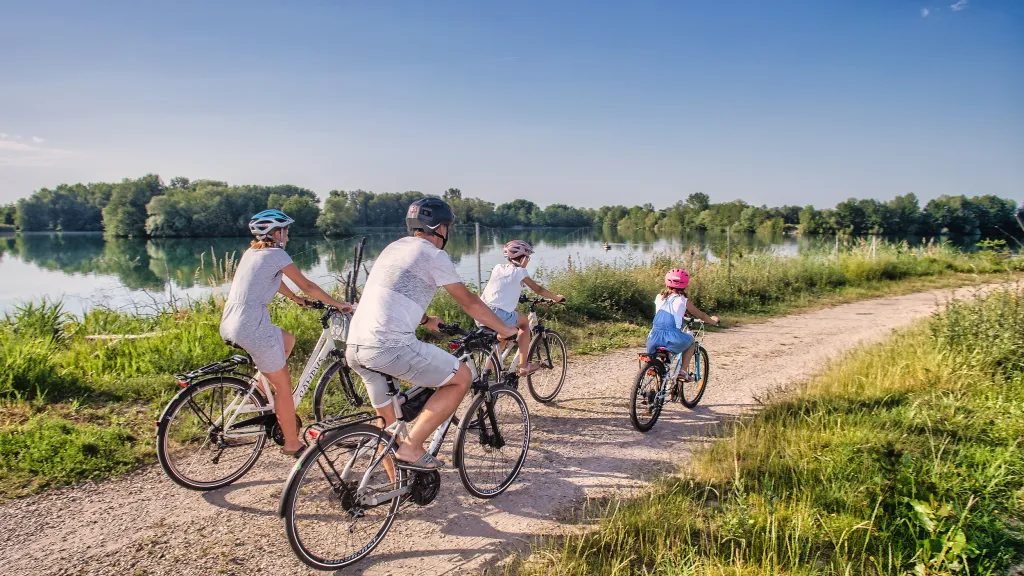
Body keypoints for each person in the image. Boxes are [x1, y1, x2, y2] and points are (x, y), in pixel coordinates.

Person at [346, 198, 518, 471]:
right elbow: (469, 301)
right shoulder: (434, 255)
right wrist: (505, 328)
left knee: (390, 428)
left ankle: (399, 486)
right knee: (461, 377)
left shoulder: (394, 248)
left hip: (355, 345)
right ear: (439, 228)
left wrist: (426, 320)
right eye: (447, 227)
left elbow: (393, 292)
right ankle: (414, 448)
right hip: (389, 346)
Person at [220, 209, 353, 458]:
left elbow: (273, 280)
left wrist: (294, 298)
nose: (288, 236)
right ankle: (292, 443)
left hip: (231, 321)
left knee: (287, 340)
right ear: (277, 233)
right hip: (252, 325)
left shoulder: (252, 253)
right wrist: (337, 304)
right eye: (286, 231)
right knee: (283, 386)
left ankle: (259, 395)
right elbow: (308, 284)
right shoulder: (276, 253)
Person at [479, 239, 565, 375]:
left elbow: (502, 286)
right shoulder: (520, 272)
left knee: (501, 338)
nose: (528, 260)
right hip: (498, 313)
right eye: (528, 257)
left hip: (480, 312)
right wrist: (556, 298)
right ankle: (524, 366)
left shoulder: (497, 267)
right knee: (524, 324)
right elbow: (538, 289)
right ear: (523, 258)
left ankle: (487, 372)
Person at [646, 269, 719, 382]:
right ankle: (683, 371)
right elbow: (701, 315)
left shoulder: (659, 297)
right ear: (685, 284)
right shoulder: (684, 301)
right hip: (672, 338)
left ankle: (658, 376)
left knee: (663, 360)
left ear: (666, 282)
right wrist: (712, 321)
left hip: (652, 339)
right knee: (691, 342)